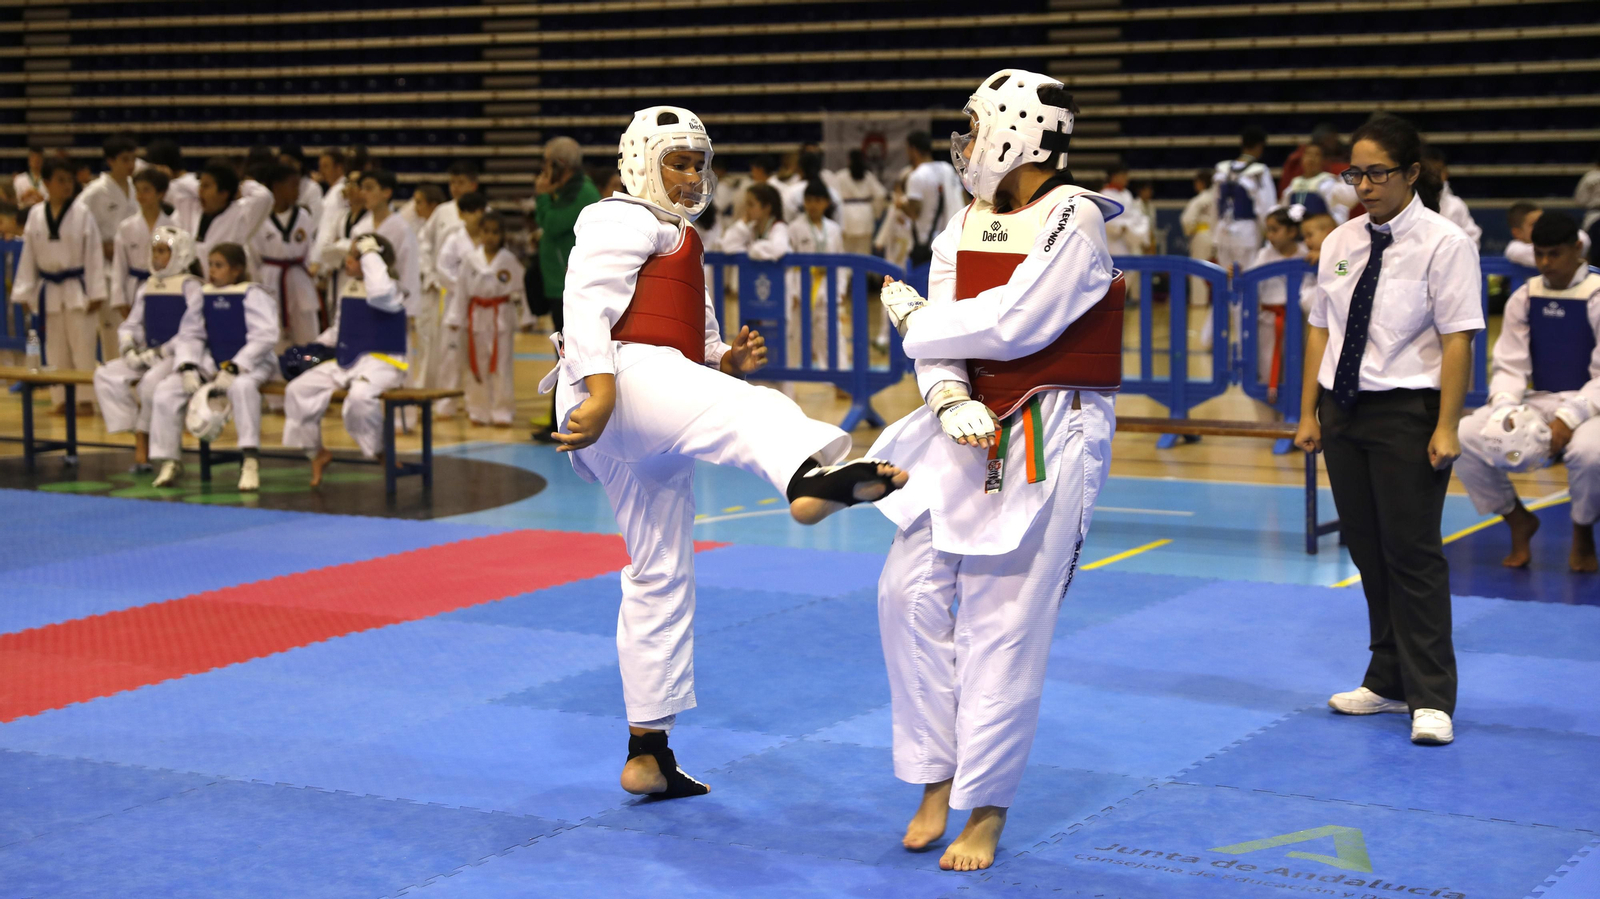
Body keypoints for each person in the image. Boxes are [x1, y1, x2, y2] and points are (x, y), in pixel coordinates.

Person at [543, 106, 907, 804]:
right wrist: (598, 386)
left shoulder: (683, 239)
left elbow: (690, 339)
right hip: (615, 382)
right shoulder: (617, 216)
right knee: (754, 412)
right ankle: (809, 475)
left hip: (642, 399)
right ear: (640, 161)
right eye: (677, 161)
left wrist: (724, 356)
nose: (690, 176)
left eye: (697, 163)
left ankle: (647, 749)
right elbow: (586, 299)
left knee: (661, 572)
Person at [869, 69, 1123, 873]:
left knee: (1002, 622)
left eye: (976, 130)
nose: (967, 147)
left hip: (1051, 426)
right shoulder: (964, 219)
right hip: (967, 422)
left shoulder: (1074, 215)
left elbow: (1016, 322)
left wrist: (916, 319)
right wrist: (944, 398)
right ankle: (934, 772)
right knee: (904, 592)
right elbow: (950, 344)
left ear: (1015, 132)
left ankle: (987, 804)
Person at [1293, 113, 1484, 747]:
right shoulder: (1340, 242)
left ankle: (1431, 695)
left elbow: (1458, 340)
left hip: (1410, 413)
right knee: (1368, 549)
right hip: (1344, 409)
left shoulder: (1445, 242)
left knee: (1413, 554)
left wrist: (1448, 425)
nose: (1364, 185)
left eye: (1377, 173)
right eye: (1356, 173)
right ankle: (1388, 677)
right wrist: (1307, 412)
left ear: (1410, 173)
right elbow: (1321, 327)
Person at [1455, 211, 1600, 573]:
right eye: (1539, 254)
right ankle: (1516, 518)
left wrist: (1570, 417)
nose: (1546, 263)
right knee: (1467, 434)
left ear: (1577, 248)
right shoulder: (1525, 296)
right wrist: (1506, 411)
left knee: (1589, 452)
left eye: (1555, 254)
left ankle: (1582, 528)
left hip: (1592, 405)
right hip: (1540, 400)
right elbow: (1510, 365)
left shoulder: (1597, 293)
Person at [283, 234, 409, 486]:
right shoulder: (348, 288)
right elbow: (340, 330)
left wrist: (370, 252)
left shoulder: (393, 289)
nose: (348, 261)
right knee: (297, 389)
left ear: (374, 261)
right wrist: (312, 349)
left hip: (382, 363)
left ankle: (379, 451)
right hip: (347, 360)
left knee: (360, 398)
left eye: (355, 256)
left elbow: (379, 293)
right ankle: (316, 452)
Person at [152, 242, 280, 490]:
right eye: (210, 265)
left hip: (253, 363)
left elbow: (265, 336)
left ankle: (250, 460)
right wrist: (188, 366)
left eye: (219, 266)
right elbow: (190, 333)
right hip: (213, 361)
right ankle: (170, 459)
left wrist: (235, 367)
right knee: (166, 390)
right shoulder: (204, 293)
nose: (212, 271)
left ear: (236, 270)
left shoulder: (252, 293)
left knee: (242, 388)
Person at [93, 226, 204, 470]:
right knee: (105, 375)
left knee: (150, 384)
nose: (157, 257)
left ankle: (146, 445)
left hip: (173, 356)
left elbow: (192, 331)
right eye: (155, 251)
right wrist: (129, 348)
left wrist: (161, 352)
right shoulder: (148, 286)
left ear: (181, 253)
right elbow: (131, 323)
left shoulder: (192, 287)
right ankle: (136, 428)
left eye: (163, 251)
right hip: (147, 353)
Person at [12, 156, 106, 412]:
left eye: (69, 180)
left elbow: (94, 254)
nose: (66, 186)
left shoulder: (82, 213)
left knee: (83, 346)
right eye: (60, 180)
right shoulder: (35, 214)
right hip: (49, 290)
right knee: (54, 349)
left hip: (78, 289)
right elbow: (29, 255)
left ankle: (85, 400)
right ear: (47, 183)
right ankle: (62, 400)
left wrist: (97, 290)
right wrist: (24, 291)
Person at [531, 137, 601, 440]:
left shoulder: (582, 192)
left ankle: (562, 421)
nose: (544, 171)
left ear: (559, 165)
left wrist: (542, 196)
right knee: (563, 355)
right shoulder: (567, 190)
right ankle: (559, 417)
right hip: (557, 286)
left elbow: (551, 221)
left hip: (570, 288)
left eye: (548, 163)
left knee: (568, 356)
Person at [453, 212, 526, 426]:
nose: (490, 236)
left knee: (501, 366)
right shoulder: (470, 260)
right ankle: (477, 410)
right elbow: (461, 292)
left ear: (502, 235)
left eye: (495, 232)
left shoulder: (509, 260)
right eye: (486, 231)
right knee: (477, 365)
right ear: (480, 233)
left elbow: (520, 290)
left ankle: (502, 411)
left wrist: (526, 317)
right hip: (476, 315)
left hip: (500, 316)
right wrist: (457, 318)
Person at [79, 134, 141, 357]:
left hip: (135, 271)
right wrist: (100, 246)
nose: (130, 165)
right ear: (110, 161)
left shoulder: (139, 190)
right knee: (113, 335)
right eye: (125, 159)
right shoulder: (95, 192)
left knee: (137, 332)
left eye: (133, 159)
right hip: (107, 272)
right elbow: (77, 227)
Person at [252, 163, 321, 350]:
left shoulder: (303, 216)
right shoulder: (258, 218)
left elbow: (309, 250)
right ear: (276, 187)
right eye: (293, 185)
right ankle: (276, 374)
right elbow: (253, 257)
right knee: (272, 333)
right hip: (269, 278)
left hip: (299, 278)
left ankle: (309, 368)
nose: (298, 191)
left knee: (308, 334)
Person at [171, 158, 274, 280]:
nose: (200, 190)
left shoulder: (240, 213)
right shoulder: (193, 207)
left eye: (207, 186)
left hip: (229, 286)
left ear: (223, 193)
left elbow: (265, 197)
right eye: (200, 185)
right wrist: (200, 186)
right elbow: (176, 187)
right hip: (195, 284)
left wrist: (243, 186)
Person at [435, 191, 488, 419]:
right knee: (451, 356)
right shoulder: (454, 239)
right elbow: (442, 270)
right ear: (461, 214)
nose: (475, 216)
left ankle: (476, 405)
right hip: (457, 303)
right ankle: (446, 404)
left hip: (482, 306)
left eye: (478, 211)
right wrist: (464, 286)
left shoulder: (490, 238)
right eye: (469, 212)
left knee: (480, 356)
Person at [1249, 208, 1309, 404]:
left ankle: (1295, 414)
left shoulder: (1306, 255)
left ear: (1292, 232)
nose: (1270, 235)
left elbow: (1339, 269)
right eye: (1268, 230)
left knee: (1295, 367)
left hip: (1298, 320)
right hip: (1268, 320)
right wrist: (1239, 275)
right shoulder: (1264, 254)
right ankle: (1270, 416)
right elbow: (1251, 283)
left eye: (1275, 230)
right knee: (1267, 366)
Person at [788, 180, 848, 368]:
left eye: (817, 200)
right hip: (800, 289)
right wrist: (791, 292)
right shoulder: (795, 228)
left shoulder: (834, 229)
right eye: (809, 200)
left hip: (827, 289)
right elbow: (788, 265)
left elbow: (841, 262)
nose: (813, 205)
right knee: (793, 337)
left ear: (826, 203)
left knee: (832, 335)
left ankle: (841, 380)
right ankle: (785, 383)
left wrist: (841, 289)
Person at [109, 169, 174, 325]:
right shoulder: (126, 227)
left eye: (146, 190)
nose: (140, 195)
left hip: (165, 288)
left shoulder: (173, 226)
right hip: (133, 289)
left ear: (160, 194)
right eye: (137, 190)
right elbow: (119, 265)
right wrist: (120, 299)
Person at [901, 132, 964, 287]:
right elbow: (963, 197)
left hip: (926, 244)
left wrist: (900, 203)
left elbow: (914, 212)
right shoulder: (947, 168)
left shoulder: (916, 176)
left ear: (913, 149)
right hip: (954, 238)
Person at [1213, 126, 1276, 278]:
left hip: (1222, 230)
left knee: (1224, 277)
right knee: (1247, 276)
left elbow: (1215, 204)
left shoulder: (1222, 169)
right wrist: (1269, 232)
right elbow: (1265, 206)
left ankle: (1225, 303)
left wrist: (1214, 234)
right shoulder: (1259, 171)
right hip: (1246, 232)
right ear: (1260, 147)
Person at [1101, 164, 1149, 302]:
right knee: (1116, 272)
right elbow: (1106, 218)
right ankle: (1111, 301)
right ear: (1114, 176)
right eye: (1123, 175)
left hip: (1130, 238)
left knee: (1132, 270)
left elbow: (1135, 215)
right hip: (1113, 240)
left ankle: (1121, 298)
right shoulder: (1105, 194)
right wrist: (1120, 227)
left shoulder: (1127, 194)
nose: (1126, 178)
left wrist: (1138, 231)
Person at [1279, 142, 1358, 226]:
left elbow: (1340, 213)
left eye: (1316, 155)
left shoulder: (1329, 183)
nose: (1311, 158)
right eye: (1308, 154)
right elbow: (1283, 212)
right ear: (1302, 158)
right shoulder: (1294, 183)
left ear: (1323, 161)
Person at [835, 149, 888, 256]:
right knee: (864, 253)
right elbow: (881, 194)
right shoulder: (868, 176)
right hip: (865, 214)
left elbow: (833, 197)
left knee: (846, 251)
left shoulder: (840, 176)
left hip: (847, 215)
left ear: (849, 160)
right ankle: (861, 273)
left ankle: (847, 273)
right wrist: (875, 212)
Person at [1425, 148, 1481, 247]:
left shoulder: (1456, 205)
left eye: (1438, 171)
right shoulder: (1411, 202)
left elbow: (1473, 239)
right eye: (1431, 172)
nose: (1435, 176)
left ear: (1446, 173)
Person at [1180, 168, 1217, 306]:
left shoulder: (1199, 200)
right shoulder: (1218, 198)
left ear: (1201, 183)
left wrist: (1189, 231)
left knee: (1198, 270)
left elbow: (1187, 220)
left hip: (1202, 235)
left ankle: (1199, 302)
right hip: (1217, 236)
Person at [277, 144, 323, 224]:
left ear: (299, 164)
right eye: (282, 163)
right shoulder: (276, 189)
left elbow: (315, 221)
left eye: (289, 162)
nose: (286, 167)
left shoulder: (312, 188)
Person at [1575, 151, 1600, 231]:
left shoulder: (1590, 177)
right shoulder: (1590, 177)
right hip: (1594, 214)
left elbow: (1580, 201)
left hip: (1593, 215)